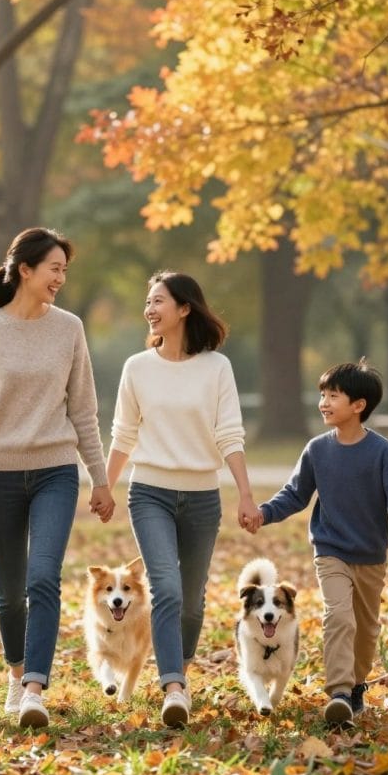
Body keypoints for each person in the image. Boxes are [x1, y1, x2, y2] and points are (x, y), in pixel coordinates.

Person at [0, 226, 115, 730]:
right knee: (9, 588)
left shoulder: (69, 328)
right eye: (54, 269)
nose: (61, 279)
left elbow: (84, 410)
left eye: (65, 270)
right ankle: (16, 672)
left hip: (55, 472)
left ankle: (34, 689)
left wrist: (100, 477)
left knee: (44, 578)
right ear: (25, 269)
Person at [106, 270, 258, 727]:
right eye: (147, 301)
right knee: (166, 589)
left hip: (202, 498)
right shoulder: (137, 367)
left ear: (185, 308)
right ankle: (173, 686)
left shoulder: (216, 368)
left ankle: (180, 672)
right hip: (149, 492)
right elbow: (124, 433)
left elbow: (229, 434)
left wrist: (246, 495)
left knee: (191, 600)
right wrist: (104, 485)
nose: (149, 309)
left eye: (158, 301)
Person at [246, 359, 388, 726]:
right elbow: (295, 494)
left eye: (333, 396)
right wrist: (264, 513)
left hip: (371, 554)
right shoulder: (317, 449)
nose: (323, 402)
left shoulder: (381, 451)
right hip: (330, 549)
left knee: (365, 628)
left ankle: (357, 685)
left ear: (358, 406)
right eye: (323, 394)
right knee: (339, 617)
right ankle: (339, 692)